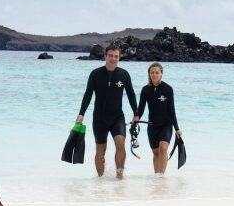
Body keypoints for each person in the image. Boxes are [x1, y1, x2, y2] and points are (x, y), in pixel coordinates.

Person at [76, 44, 137, 178]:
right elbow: (88, 94)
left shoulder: (124, 74)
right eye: (110, 56)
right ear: (105, 56)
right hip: (99, 118)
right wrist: (81, 114)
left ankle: (119, 177)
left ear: (119, 57)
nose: (113, 59)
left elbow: (131, 94)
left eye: (116, 56)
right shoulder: (95, 74)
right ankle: (100, 180)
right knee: (100, 151)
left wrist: (136, 113)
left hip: (117, 118)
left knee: (120, 144)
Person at [132, 62, 182, 174]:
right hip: (152, 126)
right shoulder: (145, 90)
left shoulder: (168, 89)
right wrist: (136, 117)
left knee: (163, 148)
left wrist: (177, 128)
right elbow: (141, 108)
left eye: (157, 72)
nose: (154, 75)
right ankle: (157, 176)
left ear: (161, 74)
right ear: (149, 74)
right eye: (152, 73)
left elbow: (171, 110)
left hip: (166, 125)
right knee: (155, 153)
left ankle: (161, 177)